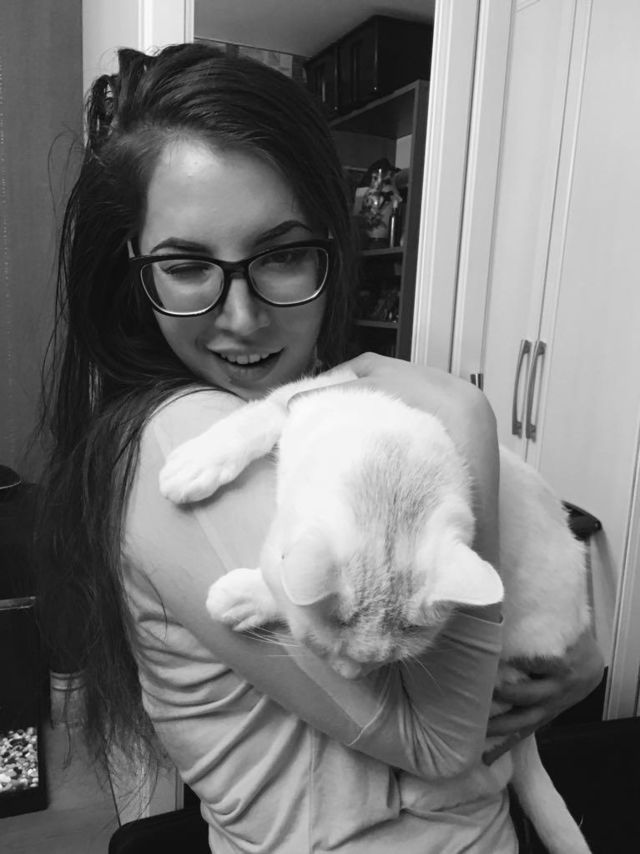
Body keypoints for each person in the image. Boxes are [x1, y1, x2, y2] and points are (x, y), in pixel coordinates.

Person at [37, 43, 603, 853]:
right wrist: (466, 418)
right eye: (187, 265)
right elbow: (444, 738)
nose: (242, 319)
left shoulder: (296, 412)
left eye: (283, 254)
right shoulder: (184, 438)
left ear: (330, 249)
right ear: (132, 270)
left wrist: (572, 661)